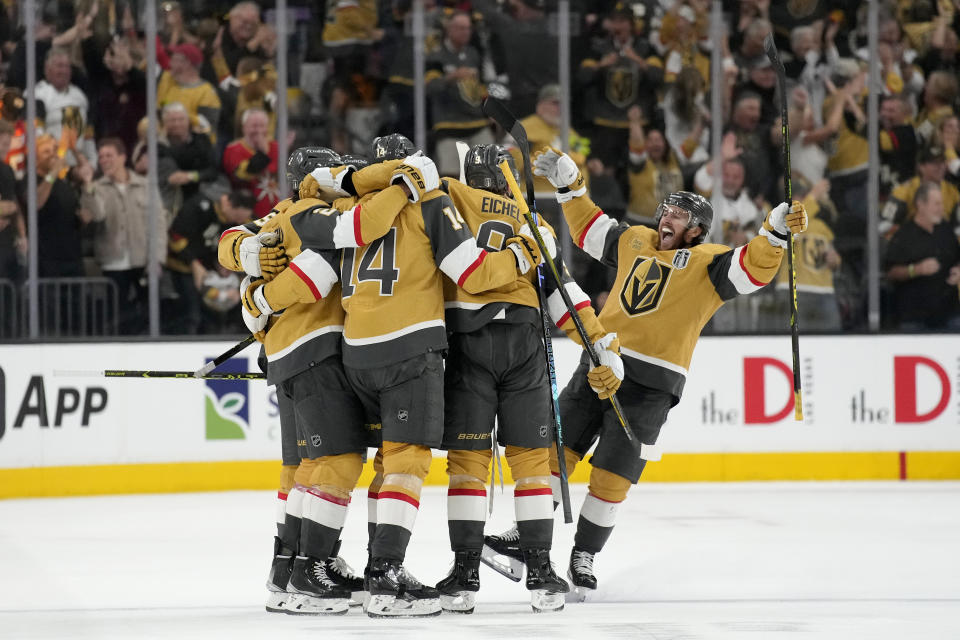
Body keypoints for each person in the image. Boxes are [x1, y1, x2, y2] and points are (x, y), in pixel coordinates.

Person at [485, 148, 808, 600]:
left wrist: (773, 234)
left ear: (696, 230)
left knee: (613, 476)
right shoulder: (634, 239)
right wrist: (569, 185)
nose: (667, 219)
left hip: (652, 386)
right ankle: (527, 536)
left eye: (679, 216)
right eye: (666, 211)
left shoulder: (709, 264)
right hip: (599, 364)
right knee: (556, 454)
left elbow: (752, 268)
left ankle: (584, 555)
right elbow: (589, 228)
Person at [293, 145, 547, 618]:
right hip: (411, 347)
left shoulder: (345, 207)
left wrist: (259, 298)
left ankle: (306, 569)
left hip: (353, 350)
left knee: (361, 465)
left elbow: (304, 246)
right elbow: (472, 274)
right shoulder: (431, 201)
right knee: (404, 466)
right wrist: (524, 253)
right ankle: (385, 575)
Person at [220, 148, 418, 614]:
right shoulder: (315, 215)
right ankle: (313, 569)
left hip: (288, 354)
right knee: (338, 460)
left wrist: (253, 294)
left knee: (301, 469)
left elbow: (235, 241)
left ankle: (286, 567)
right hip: (316, 349)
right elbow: (317, 273)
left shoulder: (281, 214)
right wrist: (261, 294)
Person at [435, 144, 617, 614]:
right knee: (533, 463)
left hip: (468, 341)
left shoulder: (448, 197)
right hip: (524, 342)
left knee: (468, 465)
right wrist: (598, 345)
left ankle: (465, 573)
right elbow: (562, 293)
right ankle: (539, 569)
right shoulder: (531, 220)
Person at [78, 138, 166, 335]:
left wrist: (157, 258)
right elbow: (98, 215)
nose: (104, 160)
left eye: (109, 155)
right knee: (117, 313)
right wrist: (87, 185)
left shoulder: (145, 185)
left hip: (142, 259)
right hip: (113, 262)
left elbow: (158, 224)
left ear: (122, 157)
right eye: (101, 157)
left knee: (148, 310)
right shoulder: (97, 187)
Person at [166, 189, 255, 334]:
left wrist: (228, 269)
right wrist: (194, 264)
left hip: (212, 272)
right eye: (237, 217)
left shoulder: (237, 221)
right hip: (182, 268)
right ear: (227, 205)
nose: (239, 222)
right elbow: (176, 237)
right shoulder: (197, 207)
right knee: (191, 315)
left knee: (216, 317)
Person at [884, 182, 960, 332]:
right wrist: (916, 269)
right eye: (936, 204)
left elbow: (957, 258)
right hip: (915, 317)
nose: (941, 209)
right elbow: (891, 273)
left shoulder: (946, 230)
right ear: (921, 204)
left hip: (949, 313)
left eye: (941, 204)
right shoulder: (903, 236)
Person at [425, 11, 494, 177]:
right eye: (461, 28)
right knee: (451, 176)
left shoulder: (473, 54)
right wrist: (452, 76)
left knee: (489, 170)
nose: (466, 32)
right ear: (450, 29)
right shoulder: (436, 56)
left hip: (477, 123)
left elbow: (482, 87)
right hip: (448, 125)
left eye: (468, 28)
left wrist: (491, 111)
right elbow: (430, 87)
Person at [157, 42, 222, 140]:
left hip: (195, 150)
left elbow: (208, 127)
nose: (170, 63)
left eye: (173, 59)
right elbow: (159, 110)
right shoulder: (170, 84)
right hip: (168, 146)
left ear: (186, 63)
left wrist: (177, 117)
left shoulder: (206, 92)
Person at [222, 108, 279, 219]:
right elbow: (242, 176)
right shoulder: (233, 150)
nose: (258, 130)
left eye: (262, 126)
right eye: (254, 126)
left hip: (277, 212)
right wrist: (262, 153)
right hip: (248, 214)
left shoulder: (276, 147)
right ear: (244, 128)